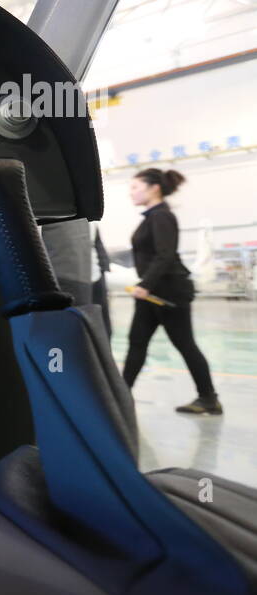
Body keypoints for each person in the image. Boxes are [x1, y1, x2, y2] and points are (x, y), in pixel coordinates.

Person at [121, 168, 221, 415]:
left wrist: (144, 285)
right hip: (152, 291)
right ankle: (121, 397)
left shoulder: (161, 217)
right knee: (137, 342)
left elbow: (165, 255)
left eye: (135, 187)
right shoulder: (150, 217)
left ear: (154, 188)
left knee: (185, 344)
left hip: (168, 292)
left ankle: (209, 398)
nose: (130, 193)